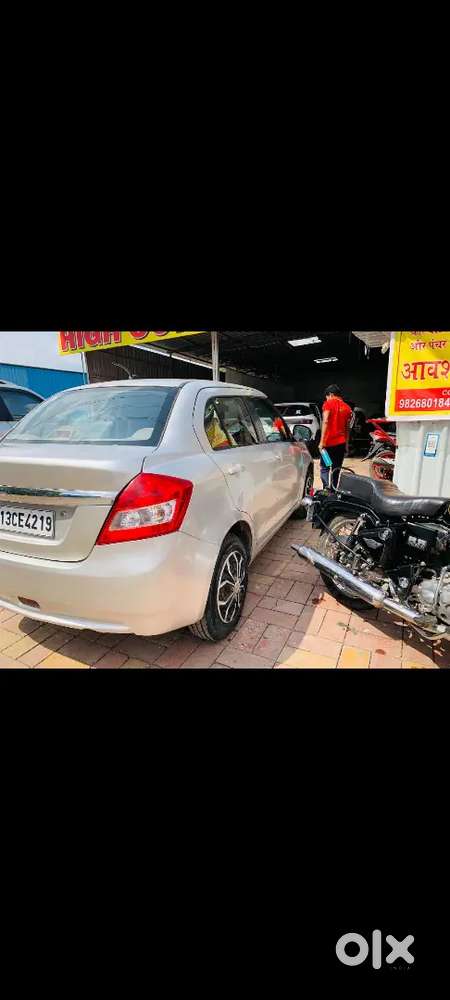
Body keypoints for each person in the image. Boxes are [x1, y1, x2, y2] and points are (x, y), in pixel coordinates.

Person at [319, 384, 353, 488]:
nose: (327, 399)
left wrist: (321, 442)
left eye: (327, 397)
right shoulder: (347, 408)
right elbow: (347, 428)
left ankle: (326, 488)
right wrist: (346, 445)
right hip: (340, 444)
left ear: (331, 394)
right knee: (336, 468)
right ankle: (333, 490)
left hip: (327, 444)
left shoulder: (328, 404)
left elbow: (325, 421)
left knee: (325, 467)